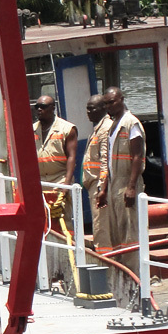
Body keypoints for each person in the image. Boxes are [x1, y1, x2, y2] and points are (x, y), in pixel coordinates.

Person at [97, 86, 145, 274]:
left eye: (112, 102)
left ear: (122, 99)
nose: (109, 106)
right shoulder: (112, 125)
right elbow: (109, 160)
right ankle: (122, 272)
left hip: (127, 182)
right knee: (117, 231)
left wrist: (131, 186)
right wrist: (104, 189)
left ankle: (135, 274)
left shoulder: (130, 123)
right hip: (114, 184)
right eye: (106, 103)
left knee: (130, 231)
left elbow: (137, 156)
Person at [81, 94, 111, 257]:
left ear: (103, 108)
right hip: (93, 185)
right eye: (87, 108)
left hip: (99, 185)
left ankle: (105, 261)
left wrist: (102, 187)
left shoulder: (105, 129)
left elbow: (105, 160)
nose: (88, 112)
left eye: (91, 108)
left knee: (102, 228)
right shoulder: (98, 127)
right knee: (99, 226)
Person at [32, 95, 78, 198]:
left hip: (59, 181)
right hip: (40, 183)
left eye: (43, 106)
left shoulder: (67, 129)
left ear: (53, 108)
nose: (39, 109)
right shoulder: (32, 129)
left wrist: (67, 183)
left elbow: (72, 157)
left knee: (60, 213)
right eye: (37, 107)